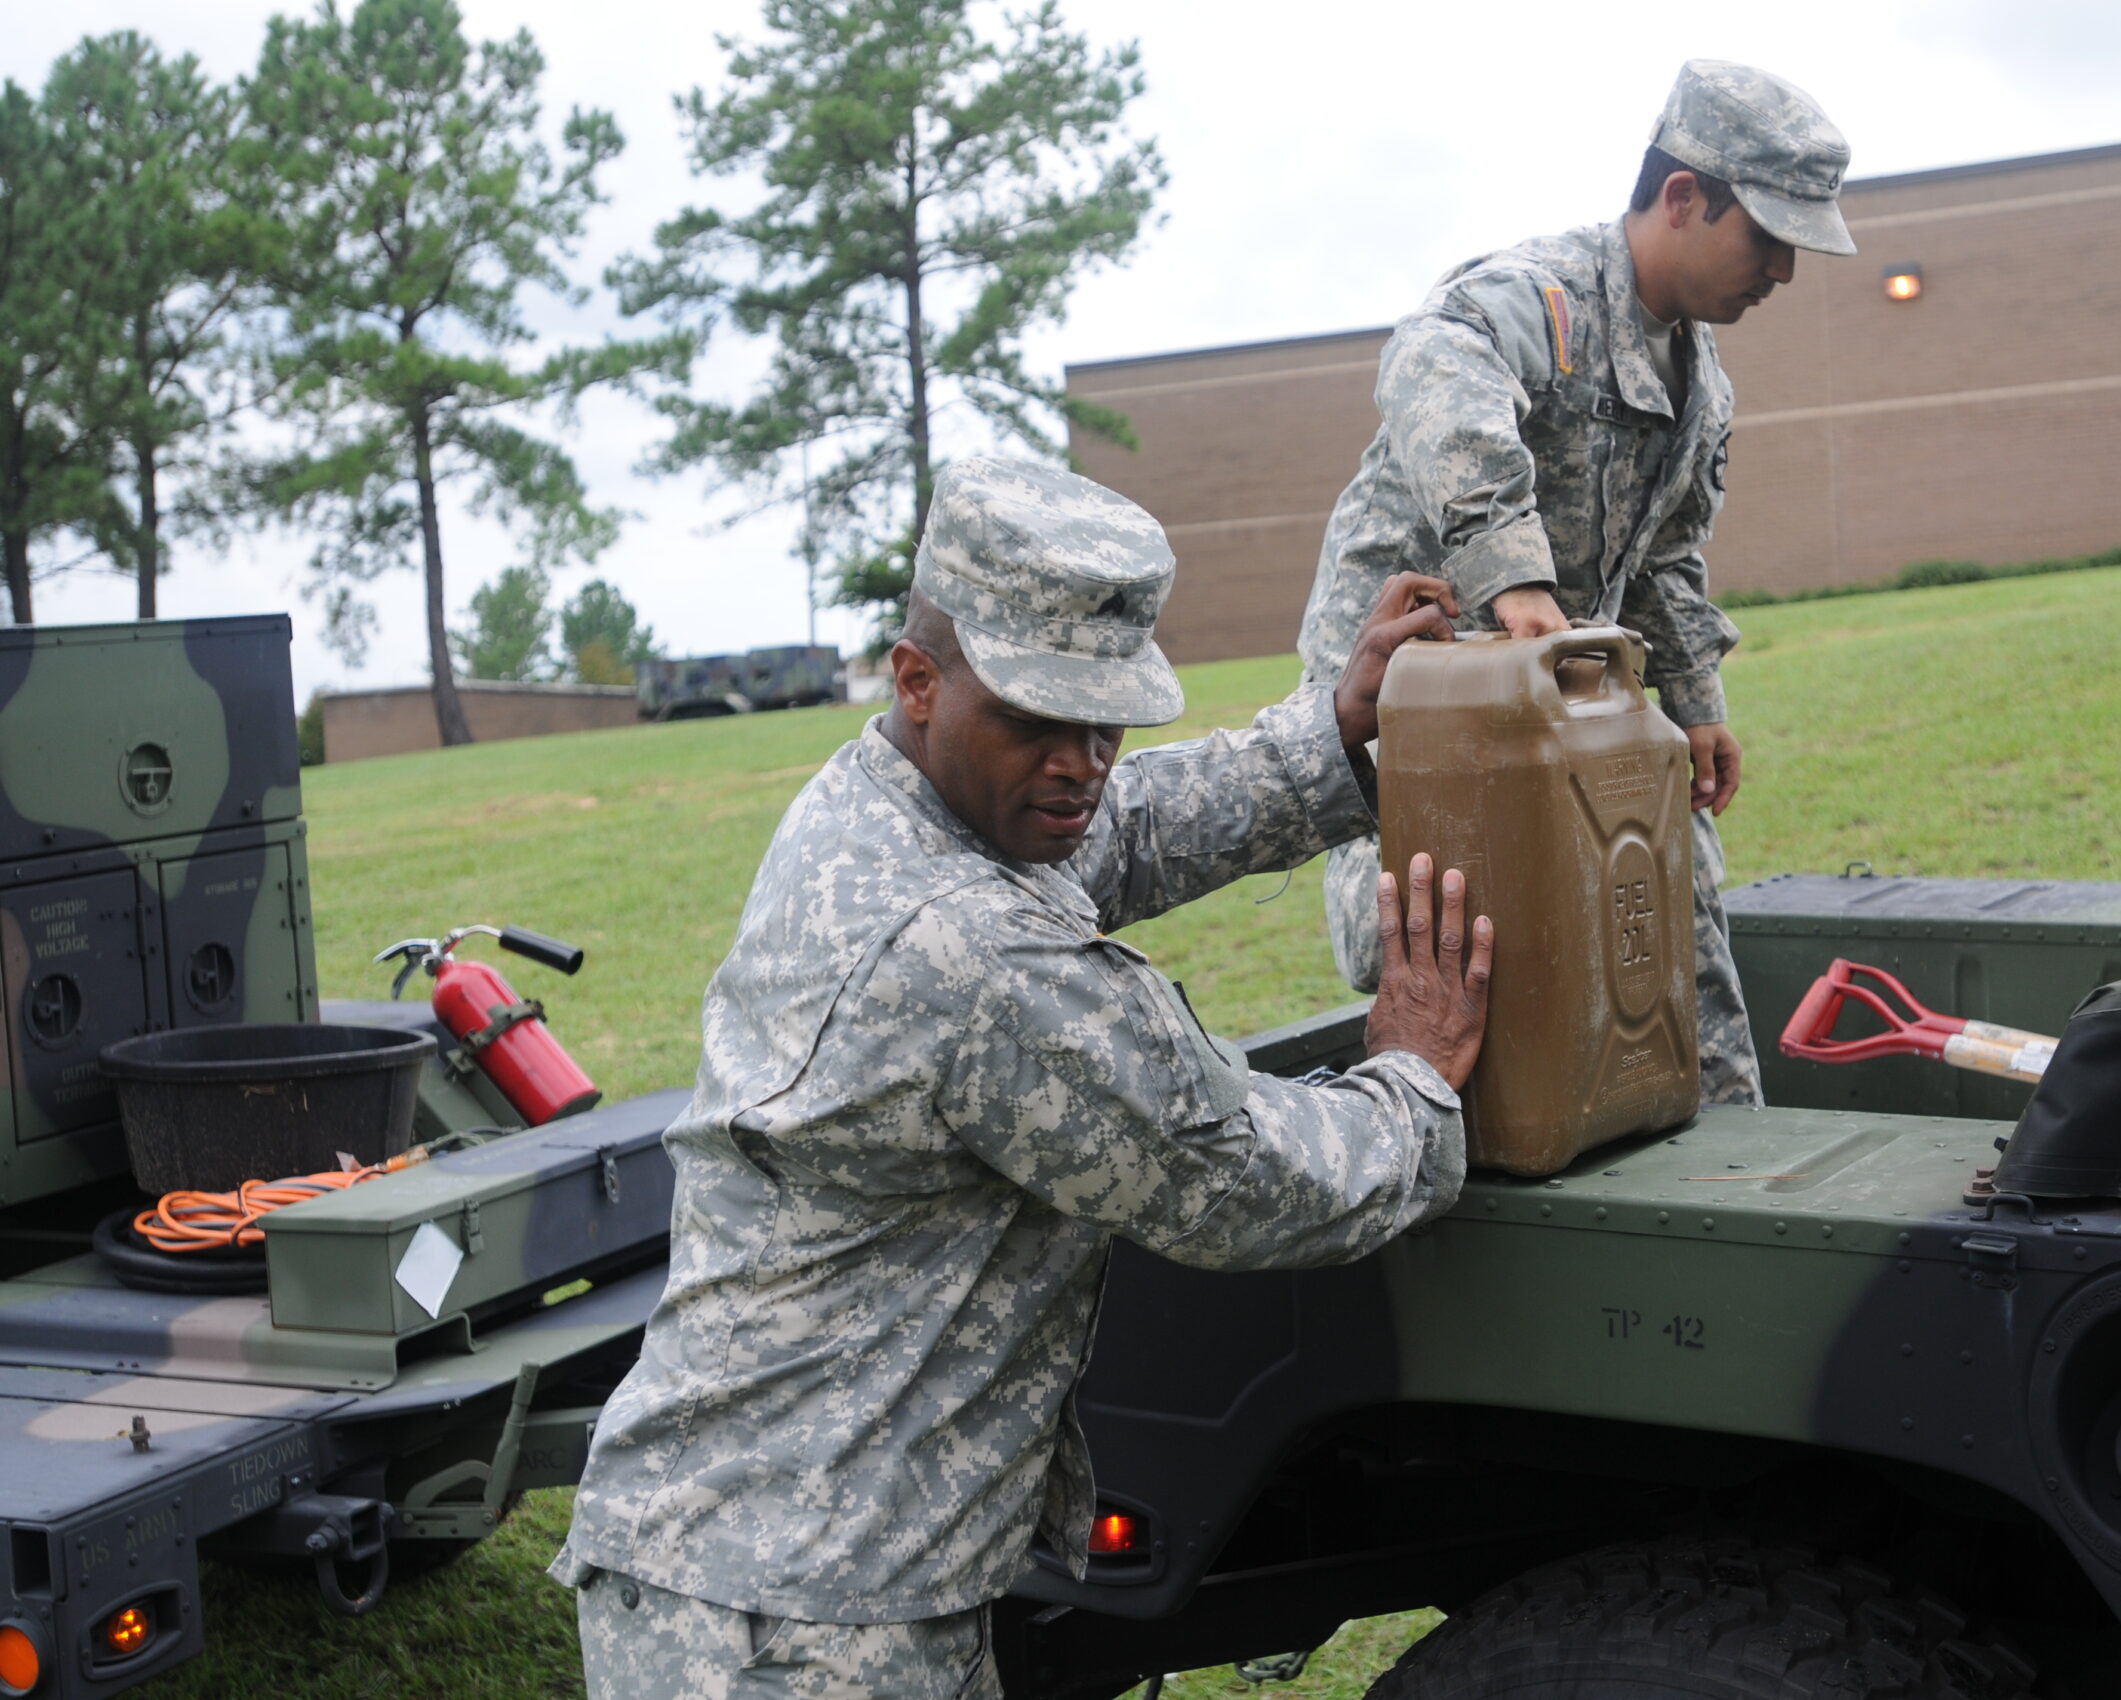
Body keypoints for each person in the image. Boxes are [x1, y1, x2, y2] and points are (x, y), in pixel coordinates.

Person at [549, 455, 1493, 1699]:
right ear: (918, 678)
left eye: (1105, 719)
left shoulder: (892, 797)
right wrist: (1414, 1075)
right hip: (788, 1625)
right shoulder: (963, 946)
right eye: (1038, 721)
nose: (1082, 760)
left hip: (781, 1559)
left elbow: (1121, 825)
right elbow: (1234, 1173)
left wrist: (1327, 733)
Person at [1296, 58, 1858, 1107]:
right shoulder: (1539, 297)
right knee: (1450, 941)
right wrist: (1508, 568)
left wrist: (1694, 705)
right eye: (1767, 236)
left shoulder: (1701, 385)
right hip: (1408, 696)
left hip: (1561, 696)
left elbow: (1669, 558)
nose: (1782, 269)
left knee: (1664, 881)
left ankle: (1717, 1137)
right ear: (1684, 197)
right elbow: (1429, 361)